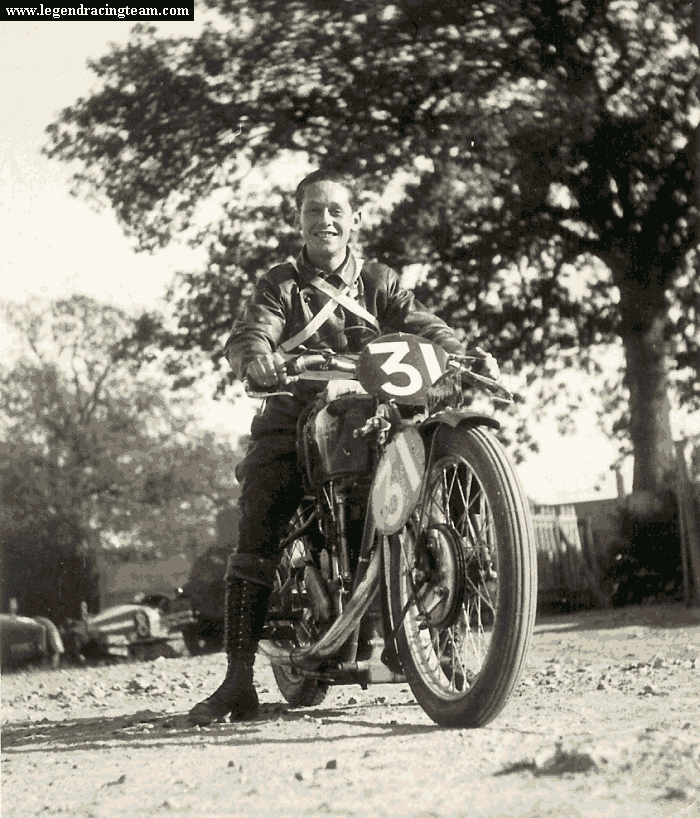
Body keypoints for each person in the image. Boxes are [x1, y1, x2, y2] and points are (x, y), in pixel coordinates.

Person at [187, 169, 498, 725]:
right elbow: (252, 331)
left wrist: (461, 352)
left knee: (437, 482)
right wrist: (255, 354)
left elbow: (422, 325)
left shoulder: (380, 281)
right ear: (298, 219)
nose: (324, 220)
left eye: (336, 210)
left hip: (375, 411)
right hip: (296, 413)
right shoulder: (279, 284)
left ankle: (442, 645)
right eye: (313, 210)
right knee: (261, 508)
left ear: (355, 219)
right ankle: (237, 682)